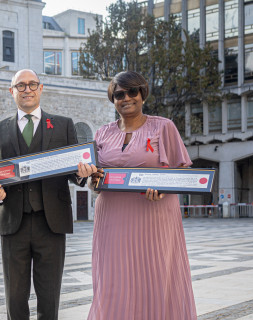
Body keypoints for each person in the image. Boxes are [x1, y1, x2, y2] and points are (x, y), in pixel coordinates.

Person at [0, 69, 96, 320]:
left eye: (32, 84)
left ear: (41, 88)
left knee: (49, 296)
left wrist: (82, 173)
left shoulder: (63, 125)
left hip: (52, 223)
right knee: (14, 297)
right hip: (13, 222)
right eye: (20, 86)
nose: (27, 89)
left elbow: (73, 171)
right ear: (11, 91)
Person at [88, 71, 197, 319]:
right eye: (119, 94)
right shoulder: (102, 133)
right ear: (113, 99)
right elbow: (95, 181)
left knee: (154, 276)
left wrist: (163, 190)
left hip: (153, 215)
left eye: (132, 92)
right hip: (111, 218)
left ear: (142, 94)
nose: (126, 98)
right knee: (113, 280)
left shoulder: (163, 126)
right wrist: (92, 180)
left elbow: (182, 170)